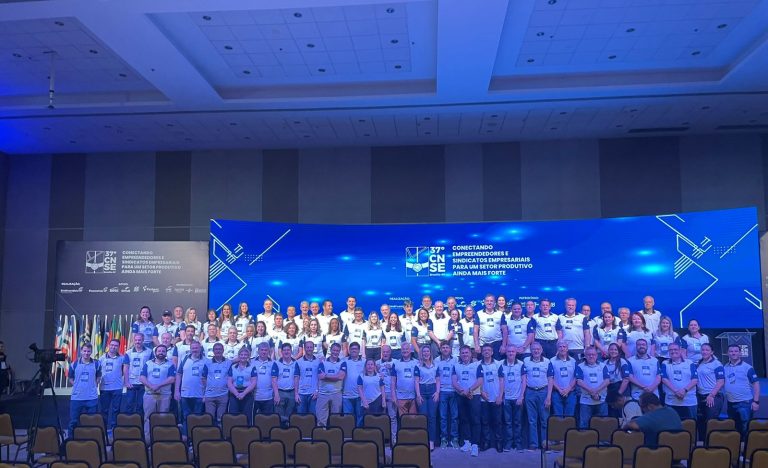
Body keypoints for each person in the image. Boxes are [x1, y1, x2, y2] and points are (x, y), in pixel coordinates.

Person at [140, 344, 176, 440]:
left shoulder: (170, 364)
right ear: (155, 352)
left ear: (166, 353)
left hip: (164, 395)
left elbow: (172, 379)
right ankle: (148, 439)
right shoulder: (148, 363)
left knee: (162, 417)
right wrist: (151, 386)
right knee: (148, 417)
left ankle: (160, 439)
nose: (161, 353)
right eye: (159, 351)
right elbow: (142, 377)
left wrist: (158, 386)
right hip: (150, 394)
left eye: (163, 351)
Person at [723, 344, 760, 435]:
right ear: (728, 353)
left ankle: (746, 444)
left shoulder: (747, 367)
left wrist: (756, 401)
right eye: (731, 351)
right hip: (730, 403)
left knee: (745, 429)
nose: (733, 353)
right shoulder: (725, 367)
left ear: (740, 353)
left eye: (736, 351)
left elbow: (756, 384)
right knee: (734, 428)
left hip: (745, 403)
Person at [453, 345, 482, 457]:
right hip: (461, 395)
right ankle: (467, 442)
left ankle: (475, 445)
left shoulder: (477, 364)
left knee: (475, 420)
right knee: (464, 419)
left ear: (470, 354)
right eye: (463, 353)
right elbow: (454, 381)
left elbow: (480, 380)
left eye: (467, 352)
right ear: (460, 354)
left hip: (474, 395)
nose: (465, 354)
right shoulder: (456, 366)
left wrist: (469, 390)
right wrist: (462, 391)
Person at [522, 341, 553, 450]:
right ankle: (533, 444)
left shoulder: (547, 361)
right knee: (532, 420)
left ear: (541, 350)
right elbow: (523, 378)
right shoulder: (526, 361)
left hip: (543, 392)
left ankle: (544, 444)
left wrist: (549, 396)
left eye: (538, 349)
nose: (536, 351)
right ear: (530, 350)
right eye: (534, 349)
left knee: (544, 420)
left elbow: (550, 379)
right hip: (530, 392)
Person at [68, 343, 101, 435]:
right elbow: (70, 378)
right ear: (81, 351)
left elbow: (98, 376)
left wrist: (94, 385)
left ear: (91, 352)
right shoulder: (74, 364)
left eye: (88, 351)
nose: (86, 353)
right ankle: (71, 439)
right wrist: (76, 385)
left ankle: (91, 439)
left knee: (91, 421)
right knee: (73, 421)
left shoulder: (97, 364)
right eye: (85, 351)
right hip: (77, 398)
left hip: (91, 398)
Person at [175, 341, 206, 436]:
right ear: (190, 349)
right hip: (185, 394)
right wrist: (176, 391)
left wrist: (206, 394)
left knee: (197, 418)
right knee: (186, 417)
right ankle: (186, 438)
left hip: (199, 394)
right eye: (193, 348)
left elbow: (208, 379)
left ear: (200, 348)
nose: (195, 350)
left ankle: (196, 438)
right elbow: (179, 375)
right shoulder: (184, 359)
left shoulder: (206, 361)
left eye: (197, 348)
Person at [696, 343, 725, 441]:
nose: (704, 352)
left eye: (707, 350)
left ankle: (712, 446)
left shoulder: (717, 364)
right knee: (701, 424)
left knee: (711, 423)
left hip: (713, 396)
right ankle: (701, 446)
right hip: (700, 396)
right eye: (703, 350)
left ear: (712, 352)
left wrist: (711, 395)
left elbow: (721, 381)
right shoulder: (700, 363)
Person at [661, 343, 698, 420]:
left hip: (689, 401)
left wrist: (684, 390)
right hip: (671, 401)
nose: (673, 351)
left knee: (691, 425)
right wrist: (676, 391)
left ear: (680, 350)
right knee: (671, 424)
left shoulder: (689, 362)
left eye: (675, 349)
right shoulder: (665, 363)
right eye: (671, 350)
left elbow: (695, 379)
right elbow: (664, 379)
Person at [576, 346, 610, 428]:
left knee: (603, 426)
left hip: (601, 400)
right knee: (584, 426)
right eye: (589, 354)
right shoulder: (580, 366)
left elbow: (607, 381)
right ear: (585, 356)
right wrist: (592, 392)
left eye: (593, 354)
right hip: (586, 401)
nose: (591, 356)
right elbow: (579, 381)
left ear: (597, 355)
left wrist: (596, 391)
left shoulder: (603, 366)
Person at [478, 343, 503, 453]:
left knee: (498, 422)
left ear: (492, 352)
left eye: (488, 350)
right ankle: (486, 442)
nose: (486, 352)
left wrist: (500, 396)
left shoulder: (498, 364)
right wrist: (481, 392)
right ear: (482, 352)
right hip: (484, 399)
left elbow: (502, 381)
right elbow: (476, 381)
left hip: (496, 398)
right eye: (484, 350)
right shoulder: (478, 365)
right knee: (485, 422)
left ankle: (499, 443)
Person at [501, 344, 525, 452]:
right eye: (509, 351)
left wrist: (521, 396)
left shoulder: (521, 364)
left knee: (518, 422)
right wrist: (502, 396)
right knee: (508, 423)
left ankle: (518, 443)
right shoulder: (501, 364)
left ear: (516, 353)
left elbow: (524, 381)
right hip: (506, 398)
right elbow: (501, 382)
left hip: (517, 398)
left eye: (513, 351)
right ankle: (509, 443)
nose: (511, 353)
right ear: (506, 353)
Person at [415, 344, 440, 451]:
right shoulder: (418, 366)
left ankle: (431, 441)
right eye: (424, 351)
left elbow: (438, 380)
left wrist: (437, 392)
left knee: (432, 417)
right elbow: (416, 381)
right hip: (422, 392)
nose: (426, 353)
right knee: (423, 416)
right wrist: (418, 395)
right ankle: (423, 440)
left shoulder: (435, 365)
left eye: (427, 351)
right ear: (421, 353)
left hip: (433, 390)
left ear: (430, 353)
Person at [316, 343, 347, 427]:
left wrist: (326, 376)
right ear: (330, 350)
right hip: (323, 394)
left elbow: (341, 376)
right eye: (334, 350)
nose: (335, 352)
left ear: (339, 352)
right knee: (321, 420)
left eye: (337, 351)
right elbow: (320, 376)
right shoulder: (323, 362)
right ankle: (321, 434)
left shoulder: (342, 363)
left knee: (335, 419)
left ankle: (334, 434)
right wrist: (335, 376)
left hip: (336, 394)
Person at [436, 341, 459, 448]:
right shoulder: (436, 361)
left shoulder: (456, 360)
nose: (445, 349)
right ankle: (444, 438)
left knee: (455, 417)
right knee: (443, 417)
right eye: (443, 347)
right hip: (442, 391)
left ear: (450, 349)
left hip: (454, 391)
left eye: (447, 347)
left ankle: (455, 438)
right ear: (440, 350)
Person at [122, 334, 152, 415]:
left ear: (143, 340)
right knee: (129, 404)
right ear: (133, 341)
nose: (137, 342)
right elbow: (126, 368)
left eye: (139, 340)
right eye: (136, 340)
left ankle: (139, 422)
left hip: (144, 383)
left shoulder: (149, 352)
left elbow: (151, 366)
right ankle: (129, 422)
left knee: (141, 405)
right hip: (131, 383)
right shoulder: (128, 353)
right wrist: (126, 382)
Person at [228, 347, 257, 424]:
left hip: (247, 394)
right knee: (233, 417)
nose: (243, 356)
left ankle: (248, 431)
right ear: (239, 356)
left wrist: (243, 393)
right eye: (241, 354)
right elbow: (229, 382)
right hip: (234, 394)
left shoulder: (252, 367)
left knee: (247, 417)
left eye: (245, 355)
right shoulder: (233, 367)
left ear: (248, 356)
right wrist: (237, 394)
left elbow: (254, 382)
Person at [98, 339, 123, 432]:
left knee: (116, 410)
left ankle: (114, 429)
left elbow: (124, 371)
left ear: (118, 347)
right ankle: (103, 430)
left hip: (117, 388)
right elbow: (98, 372)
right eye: (112, 345)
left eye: (116, 345)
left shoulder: (122, 358)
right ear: (109, 345)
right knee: (104, 410)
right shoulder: (101, 358)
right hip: (104, 388)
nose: (113, 347)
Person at [203, 342, 230, 425]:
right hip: (210, 395)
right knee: (209, 418)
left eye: (220, 349)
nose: (218, 351)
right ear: (213, 351)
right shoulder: (207, 363)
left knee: (220, 419)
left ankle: (221, 433)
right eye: (216, 349)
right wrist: (208, 388)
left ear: (223, 350)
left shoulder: (228, 362)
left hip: (223, 394)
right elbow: (203, 378)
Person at [376, 345, 399, 443]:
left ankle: (394, 439)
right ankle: (381, 439)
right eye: (383, 352)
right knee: (380, 417)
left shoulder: (396, 362)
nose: (385, 354)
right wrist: (377, 371)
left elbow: (400, 377)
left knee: (392, 417)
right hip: (379, 394)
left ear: (390, 352)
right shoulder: (376, 363)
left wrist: (392, 369)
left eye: (387, 352)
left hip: (391, 393)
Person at [475, 294, 508, 361]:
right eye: (487, 301)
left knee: (497, 364)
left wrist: (504, 345)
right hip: (483, 344)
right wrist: (477, 345)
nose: (489, 303)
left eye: (491, 301)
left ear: (494, 302)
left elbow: (505, 331)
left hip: (497, 344)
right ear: (484, 302)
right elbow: (475, 331)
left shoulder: (500, 314)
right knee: (483, 364)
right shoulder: (479, 313)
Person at [549, 340, 577, 418]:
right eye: (560, 347)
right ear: (557, 349)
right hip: (556, 393)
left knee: (570, 418)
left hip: (570, 393)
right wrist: (559, 390)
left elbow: (576, 377)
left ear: (567, 348)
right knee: (558, 419)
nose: (562, 348)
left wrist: (568, 389)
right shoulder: (551, 361)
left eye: (564, 347)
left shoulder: (573, 361)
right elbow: (550, 377)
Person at [274, 343, 299, 427]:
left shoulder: (296, 363)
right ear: (281, 352)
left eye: (288, 350)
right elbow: (274, 380)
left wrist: (296, 394)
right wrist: (276, 394)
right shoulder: (276, 363)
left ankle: (289, 432)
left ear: (291, 351)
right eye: (284, 350)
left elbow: (296, 378)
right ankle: (280, 432)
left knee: (290, 416)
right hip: (280, 392)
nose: (286, 352)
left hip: (291, 392)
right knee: (279, 417)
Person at [391, 342, 419, 416]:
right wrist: (393, 396)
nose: (405, 351)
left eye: (407, 349)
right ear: (401, 351)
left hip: (413, 397)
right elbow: (393, 381)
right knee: (403, 419)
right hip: (400, 397)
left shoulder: (416, 362)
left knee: (413, 419)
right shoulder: (396, 363)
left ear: (410, 350)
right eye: (403, 349)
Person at [252, 342, 279, 416]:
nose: (263, 352)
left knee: (267, 420)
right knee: (254, 419)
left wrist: (276, 394)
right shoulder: (252, 362)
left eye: (266, 350)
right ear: (258, 351)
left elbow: (274, 381)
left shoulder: (273, 363)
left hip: (268, 397)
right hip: (254, 397)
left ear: (269, 351)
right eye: (262, 350)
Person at [343, 342, 366, 427]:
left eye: (356, 349)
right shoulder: (344, 361)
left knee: (360, 418)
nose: (354, 350)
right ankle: (348, 434)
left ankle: (358, 434)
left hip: (360, 395)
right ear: (349, 350)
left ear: (359, 350)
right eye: (352, 349)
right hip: (346, 395)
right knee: (348, 419)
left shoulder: (364, 361)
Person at [604, 343, 629, 418]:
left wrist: (619, 394)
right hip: (609, 389)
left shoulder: (622, 361)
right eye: (611, 349)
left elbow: (626, 379)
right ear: (608, 351)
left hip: (620, 388)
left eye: (615, 349)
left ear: (618, 351)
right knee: (611, 415)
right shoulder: (604, 363)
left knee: (620, 414)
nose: (613, 351)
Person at [296, 340, 320, 414]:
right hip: (301, 394)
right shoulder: (298, 362)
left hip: (313, 394)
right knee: (301, 417)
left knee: (313, 417)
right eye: (307, 347)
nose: (309, 349)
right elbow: (296, 378)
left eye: (311, 347)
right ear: (304, 348)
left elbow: (320, 378)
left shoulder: (318, 361)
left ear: (313, 348)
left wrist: (317, 391)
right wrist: (296, 393)